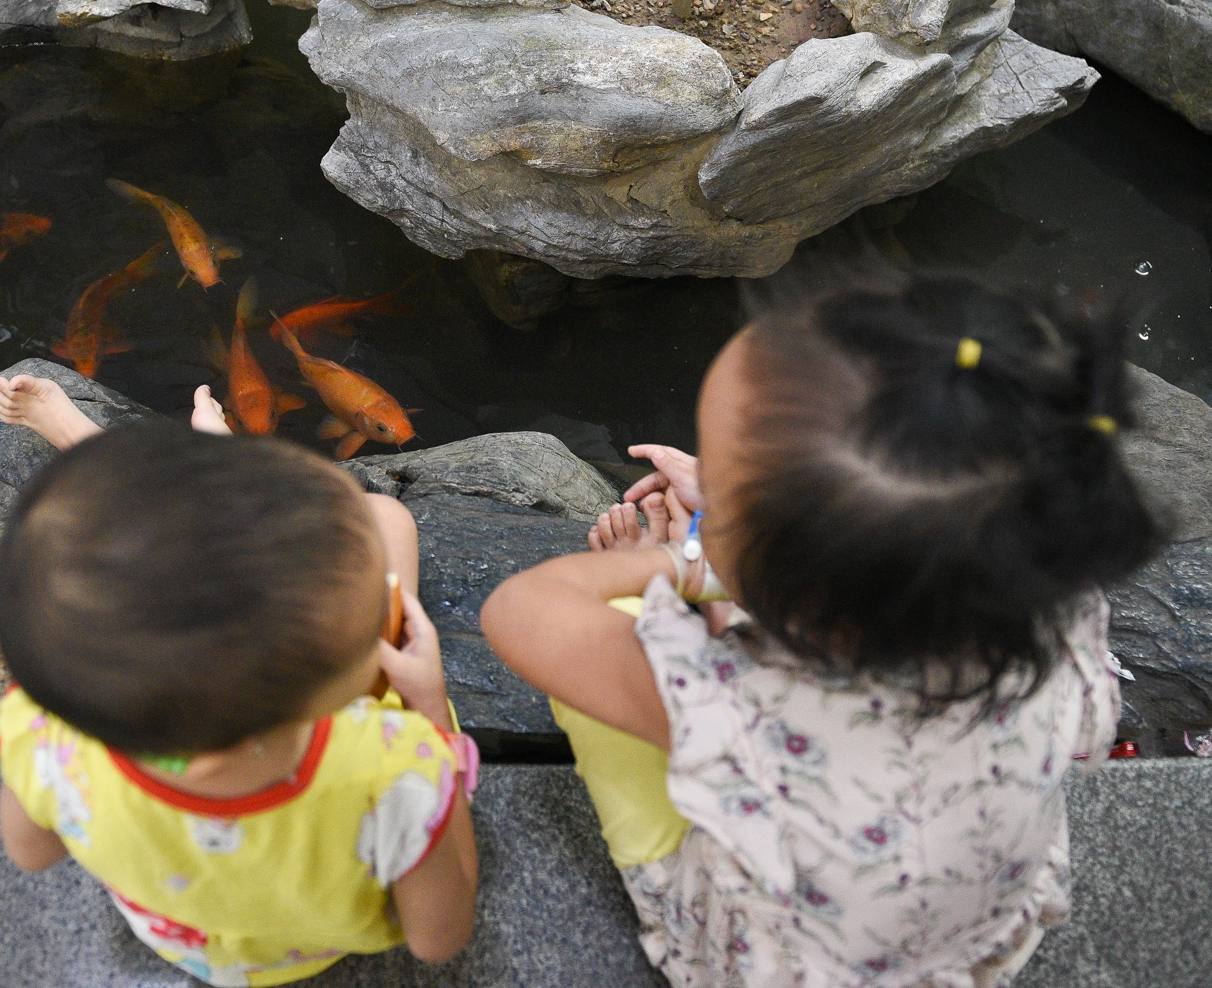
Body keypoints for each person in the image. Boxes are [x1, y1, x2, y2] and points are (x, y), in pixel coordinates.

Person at [482, 273, 1158, 988]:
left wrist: (677, 561)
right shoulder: (1056, 608)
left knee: (620, 628)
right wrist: (742, 542)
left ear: (789, 597)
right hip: (980, 932)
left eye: (720, 481)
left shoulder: (753, 717)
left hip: (788, 961)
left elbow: (519, 612)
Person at [0, 372, 479, 984]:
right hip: (308, 951)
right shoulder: (396, 773)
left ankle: (149, 462)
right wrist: (430, 716)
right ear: (343, 690)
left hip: (178, 936)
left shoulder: (48, 730)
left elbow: (29, 853)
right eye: (371, 626)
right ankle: (199, 471)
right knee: (388, 519)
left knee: (173, 560)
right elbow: (438, 940)